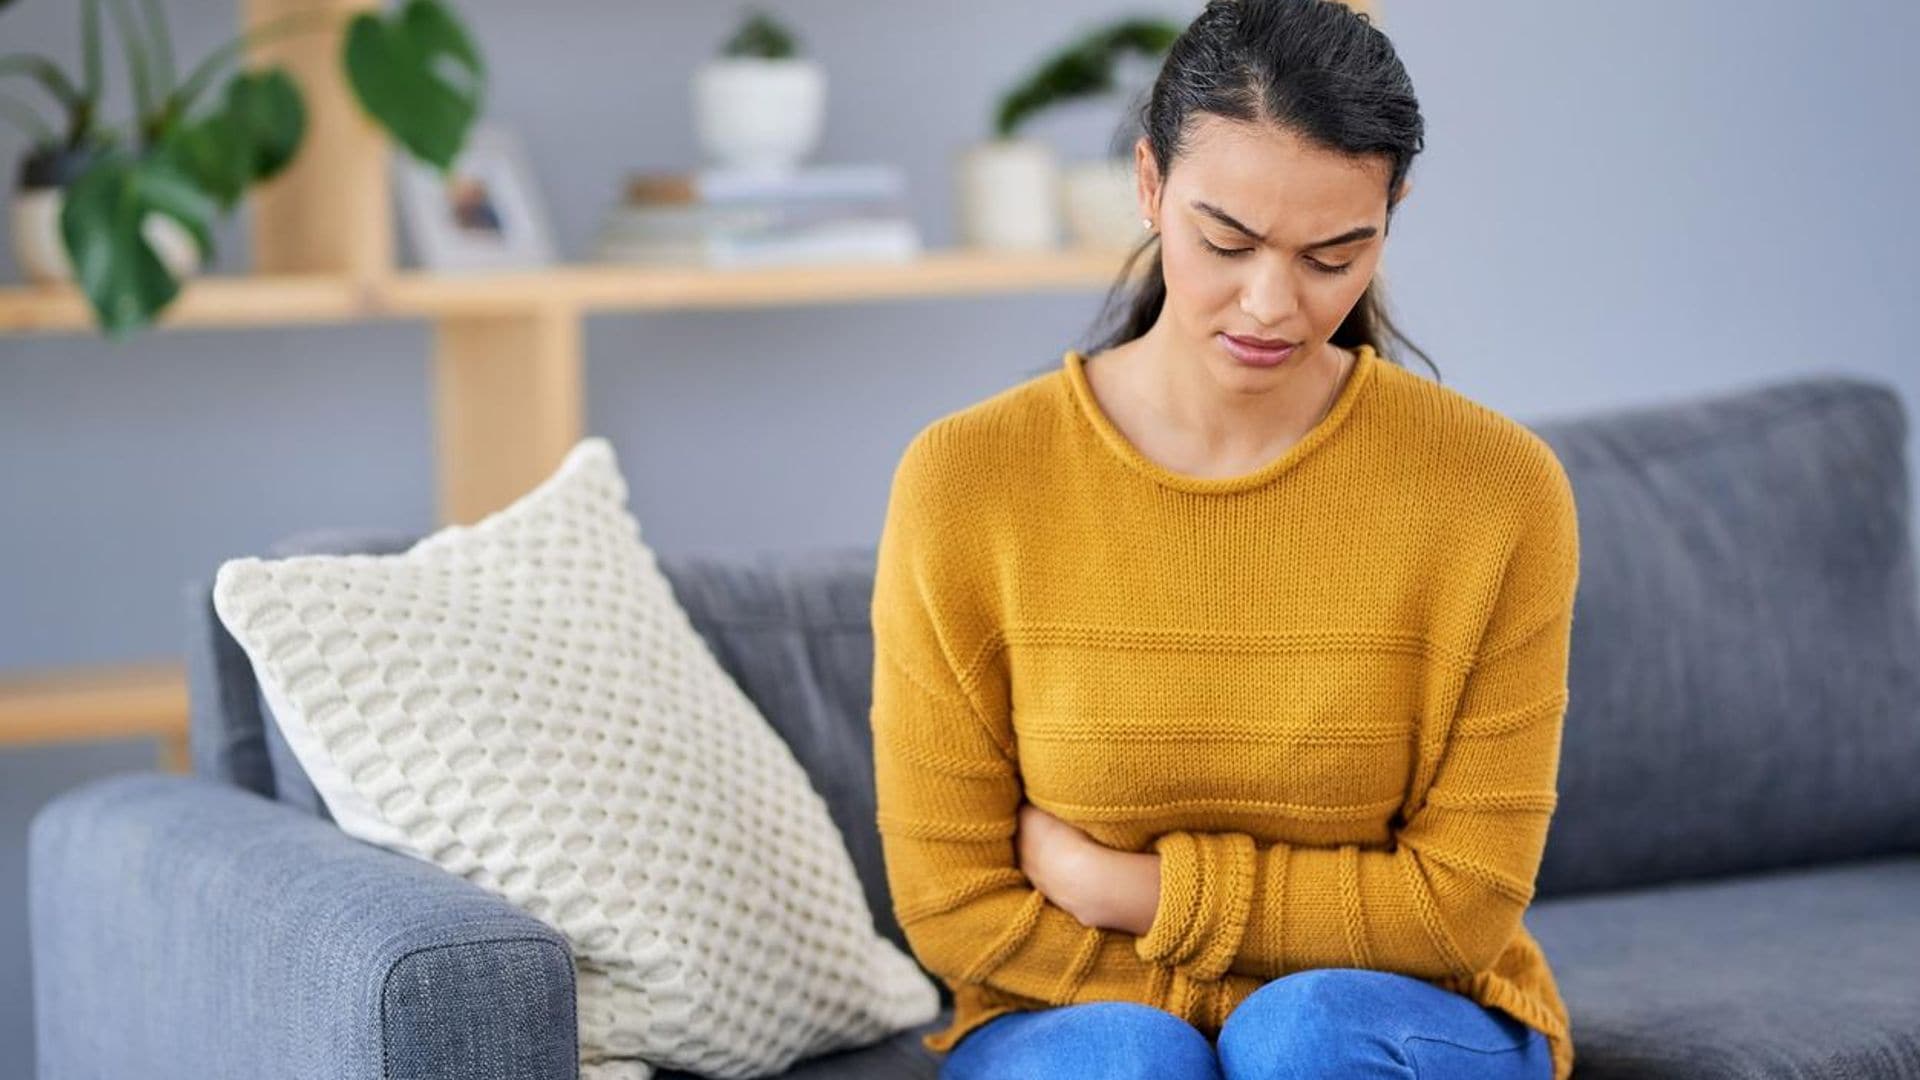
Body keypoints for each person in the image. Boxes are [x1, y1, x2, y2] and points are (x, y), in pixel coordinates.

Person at [867, 1, 1579, 1077]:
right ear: (1149, 186)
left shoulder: (1496, 493)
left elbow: (1461, 911)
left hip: (1398, 1016)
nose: (1272, 305)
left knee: (1300, 1041)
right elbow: (955, 907)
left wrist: (1135, 892)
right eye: (1227, 241)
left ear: (1393, 214)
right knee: (1132, 1063)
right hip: (1065, 1020)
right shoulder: (969, 483)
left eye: (1335, 256)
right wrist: (1207, 1030)